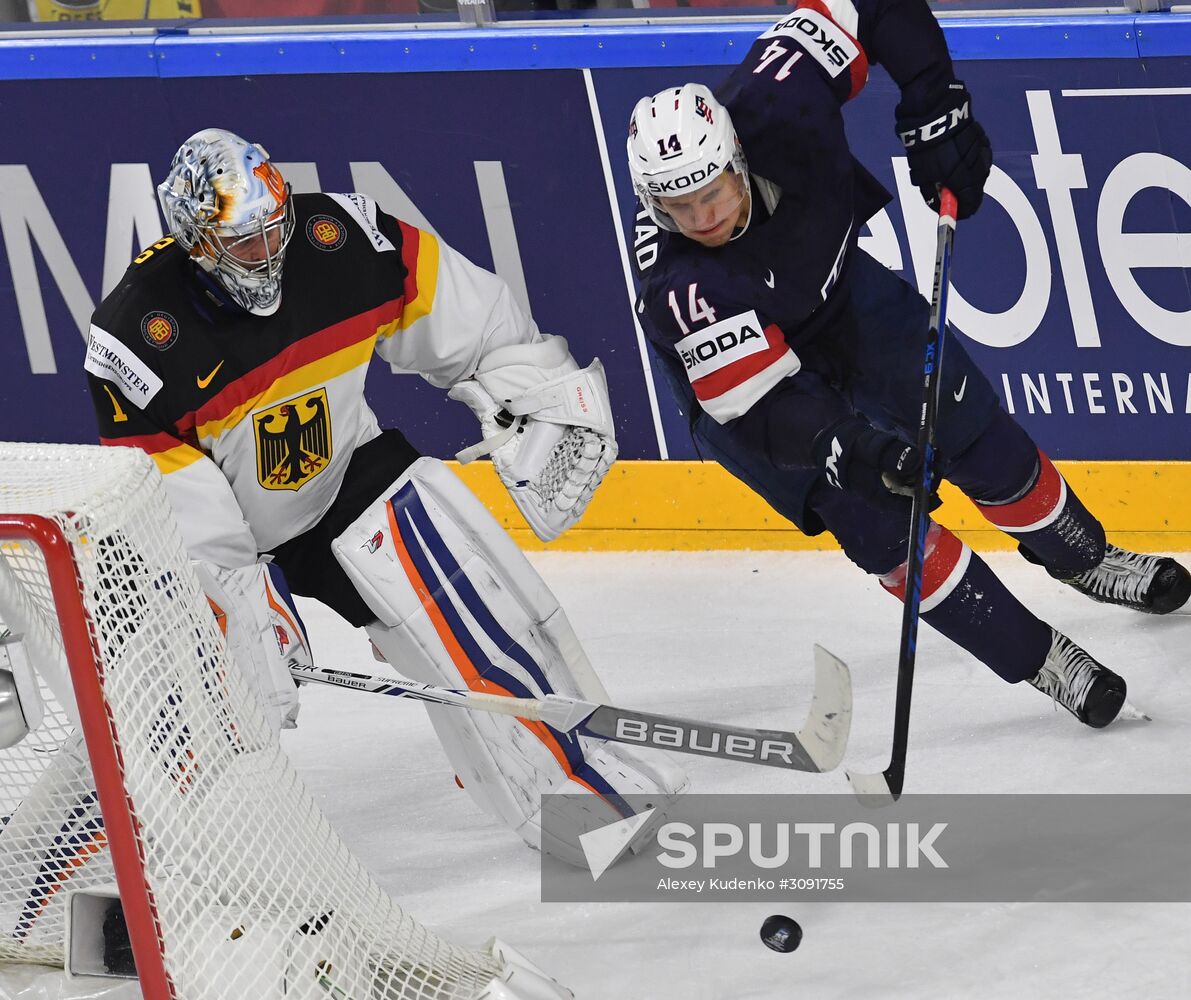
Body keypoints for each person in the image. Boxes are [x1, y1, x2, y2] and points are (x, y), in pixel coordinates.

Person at [83, 128, 685, 865]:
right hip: (224, 540)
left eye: (277, 227)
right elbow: (178, 503)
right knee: (187, 723)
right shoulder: (137, 336)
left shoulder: (341, 237)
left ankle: (575, 796)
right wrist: (242, 604)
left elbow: (467, 318)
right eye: (246, 243)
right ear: (197, 241)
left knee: (485, 621)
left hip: (345, 480)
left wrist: (528, 384)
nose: (270, 253)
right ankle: (118, 876)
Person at [625, 4, 1190, 731]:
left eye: (712, 192)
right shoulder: (682, 291)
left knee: (971, 428)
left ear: (737, 158)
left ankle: (1084, 557)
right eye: (677, 206)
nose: (700, 218)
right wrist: (852, 449)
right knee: (883, 525)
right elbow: (772, 412)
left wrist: (933, 106)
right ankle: (1040, 657)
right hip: (755, 401)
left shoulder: (779, 94)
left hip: (839, 296)